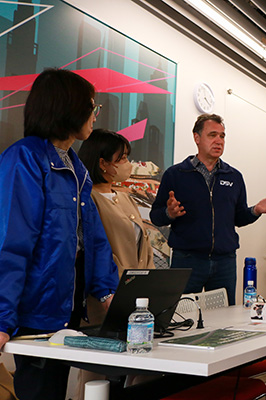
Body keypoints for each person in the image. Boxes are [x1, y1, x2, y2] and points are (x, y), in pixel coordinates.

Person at [0, 68, 119, 400]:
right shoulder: (25, 159)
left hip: (66, 312)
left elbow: (92, 241)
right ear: (69, 107)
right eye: (91, 107)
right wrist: (1, 318)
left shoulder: (76, 168)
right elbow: (11, 243)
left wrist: (109, 293)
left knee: (55, 391)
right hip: (33, 314)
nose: (95, 116)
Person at [150, 114, 266, 305]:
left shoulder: (234, 176)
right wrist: (168, 214)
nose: (218, 141)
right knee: (182, 316)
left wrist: (255, 210)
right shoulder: (176, 174)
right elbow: (155, 216)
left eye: (222, 136)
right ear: (197, 138)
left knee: (225, 320)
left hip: (225, 262)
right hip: (187, 260)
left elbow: (238, 218)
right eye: (212, 135)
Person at [77, 128, 156, 397]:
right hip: (106, 298)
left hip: (137, 298)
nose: (127, 164)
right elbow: (96, 251)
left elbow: (142, 245)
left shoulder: (124, 197)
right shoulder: (88, 200)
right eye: (121, 158)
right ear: (103, 164)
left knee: (142, 368)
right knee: (97, 378)